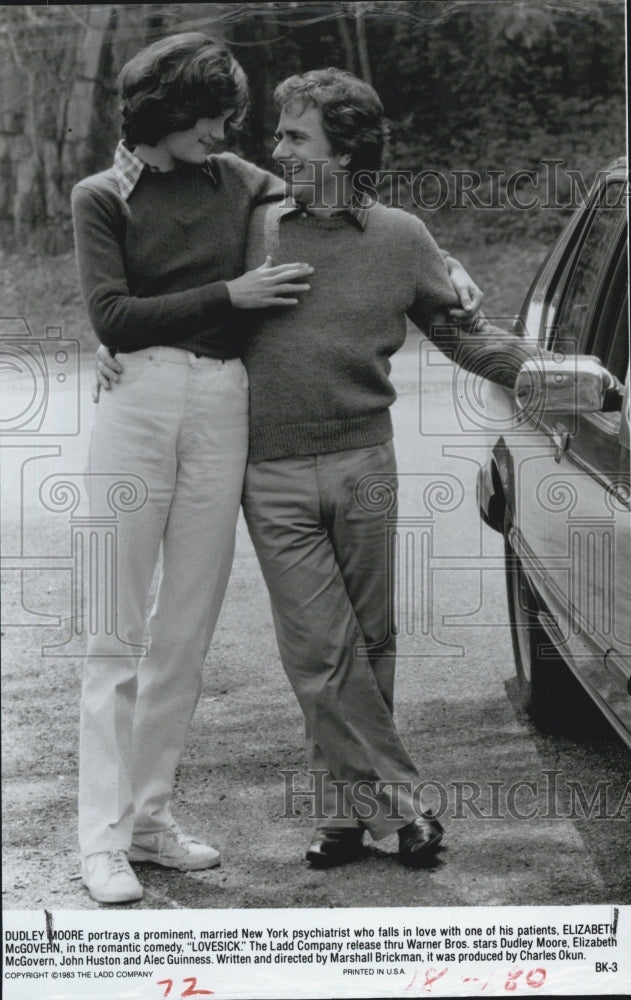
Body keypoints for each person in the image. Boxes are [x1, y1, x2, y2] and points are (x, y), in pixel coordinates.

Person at [89, 53, 488, 887]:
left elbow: (450, 318)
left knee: (368, 642)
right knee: (320, 648)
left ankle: (344, 814)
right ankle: (406, 806)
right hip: (269, 466)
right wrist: (114, 338)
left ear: (343, 153)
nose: (272, 149)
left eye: (294, 136)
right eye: (271, 133)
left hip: (364, 457)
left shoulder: (392, 232)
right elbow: (172, 285)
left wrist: (465, 288)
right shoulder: (258, 217)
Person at [71, 32, 316, 905]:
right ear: (169, 112)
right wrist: (225, 299)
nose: (226, 130)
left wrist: (441, 263)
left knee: (185, 628)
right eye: (212, 115)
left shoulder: (244, 182)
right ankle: (99, 839)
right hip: (135, 402)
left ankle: (148, 818)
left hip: (222, 402)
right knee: (113, 630)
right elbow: (113, 311)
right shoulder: (100, 195)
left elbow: (340, 214)